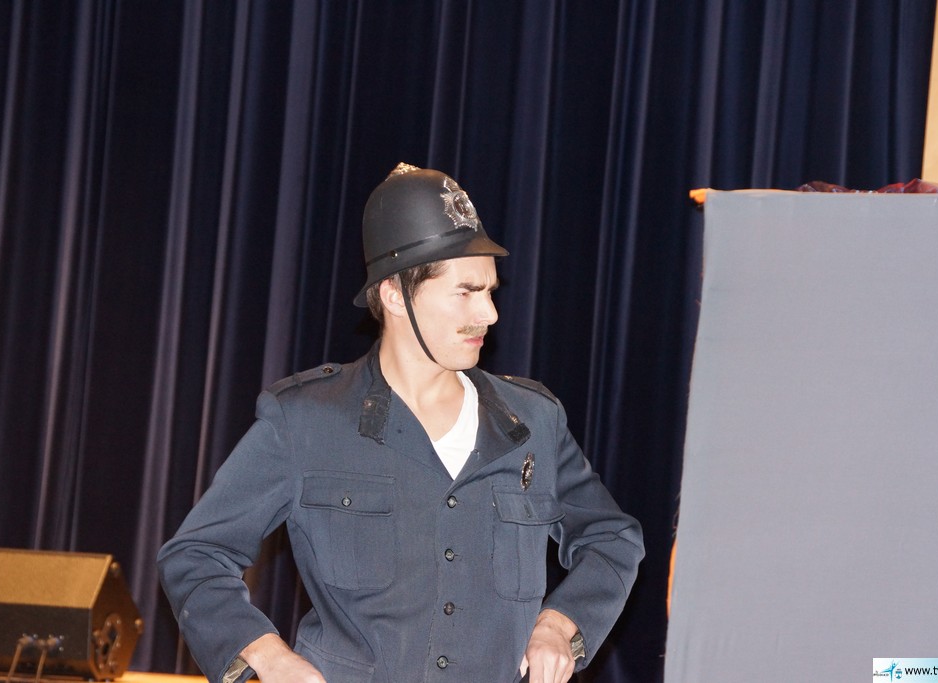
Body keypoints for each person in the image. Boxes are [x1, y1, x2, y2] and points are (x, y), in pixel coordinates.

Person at [157, 163, 645, 683]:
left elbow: (611, 537)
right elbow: (196, 554)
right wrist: (268, 656)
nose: (490, 314)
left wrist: (561, 623)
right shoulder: (305, 421)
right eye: (466, 292)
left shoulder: (534, 422)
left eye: (490, 291)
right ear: (394, 295)